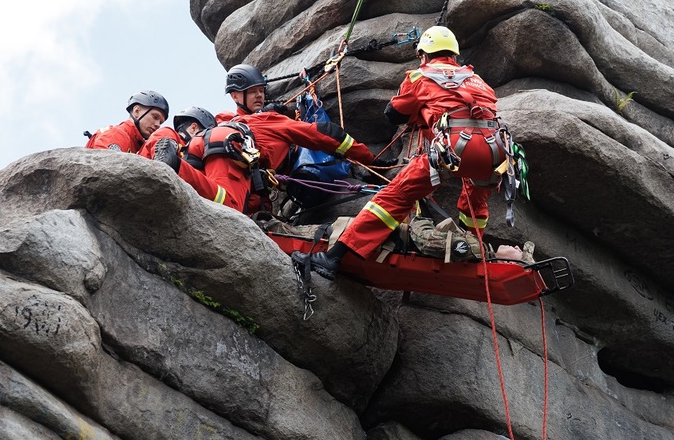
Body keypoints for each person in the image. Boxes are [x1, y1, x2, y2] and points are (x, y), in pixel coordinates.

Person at [292, 25, 506, 280]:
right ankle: (471, 250)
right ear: (455, 55)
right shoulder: (478, 80)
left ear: (424, 55)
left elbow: (393, 114)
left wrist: (420, 111)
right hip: (497, 153)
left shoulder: (420, 76)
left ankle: (333, 257)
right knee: (475, 203)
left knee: (395, 197)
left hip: (455, 148)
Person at [154, 63, 390, 212]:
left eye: (261, 91)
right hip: (229, 146)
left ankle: (177, 167)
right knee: (229, 205)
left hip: (204, 145)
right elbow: (325, 135)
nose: (260, 95)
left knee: (199, 198)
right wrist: (368, 158)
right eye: (253, 92)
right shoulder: (270, 121)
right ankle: (176, 164)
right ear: (236, 96)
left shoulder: (229, 117)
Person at [84, 90, 169, 154]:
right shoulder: (116, 134)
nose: (158, 125)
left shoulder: (137, 145)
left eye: (161, 122)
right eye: (155, 117)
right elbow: (107, 166)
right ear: (136, 111)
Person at [139, 106, 216, 161]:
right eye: (204, 135)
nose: (204, 141)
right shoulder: (168, 133)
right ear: (193, 128)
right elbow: (162, 161)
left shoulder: (189, 151)